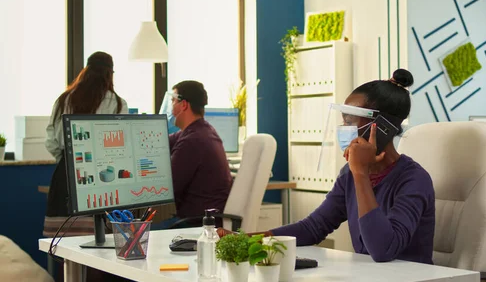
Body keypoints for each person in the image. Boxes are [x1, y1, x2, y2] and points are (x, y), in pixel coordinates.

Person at [219, 69, 436, 265]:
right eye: (344, 120)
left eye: (351, 121)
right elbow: (313, 228)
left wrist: (360, 173)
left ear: (381, 128)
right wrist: (247, 240)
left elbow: (383, 250)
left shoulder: (414, 179)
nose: (344, 128)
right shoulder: (349, 175)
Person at [43, 51, 129, 282]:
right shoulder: (117, 103)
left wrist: (70, 164)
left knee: (65, 251)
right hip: (103, 178)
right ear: (110, 74)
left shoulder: (64, 99)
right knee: (100, 250)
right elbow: (120, 145)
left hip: (66, 178)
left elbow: (52, 141)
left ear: (85, 70)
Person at [156, 80, 232, 229]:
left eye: (173, 101)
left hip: (196, 224)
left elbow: (168, 188)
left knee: (136, 233)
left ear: (183, 105)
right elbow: (161, 143)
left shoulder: (193, 140)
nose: (171, 107)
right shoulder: (200, 131)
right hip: (202, 219)